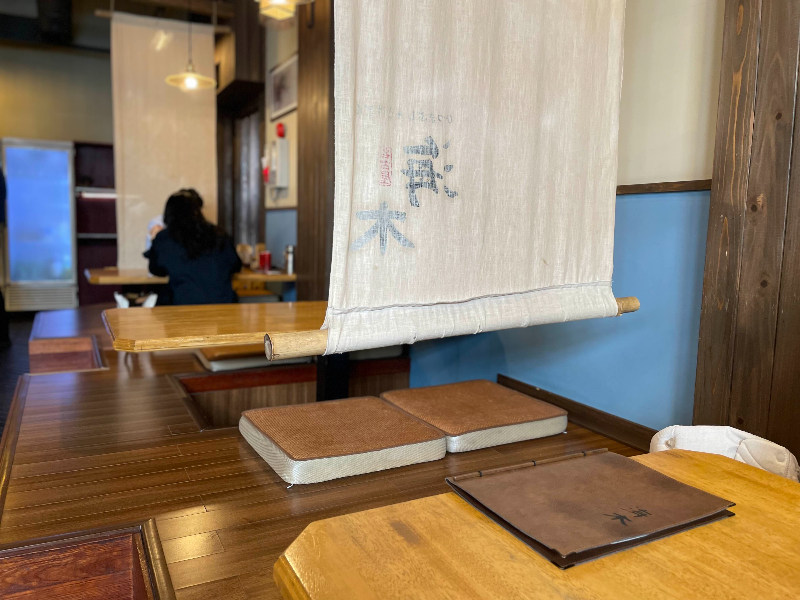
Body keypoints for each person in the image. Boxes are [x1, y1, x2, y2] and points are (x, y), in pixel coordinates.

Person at [144, 189, 242, 305]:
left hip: (183, 308)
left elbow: (155, 269)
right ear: (198, 212)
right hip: (223, 308)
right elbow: (236, 265)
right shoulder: (219, 234)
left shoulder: (165, 238)